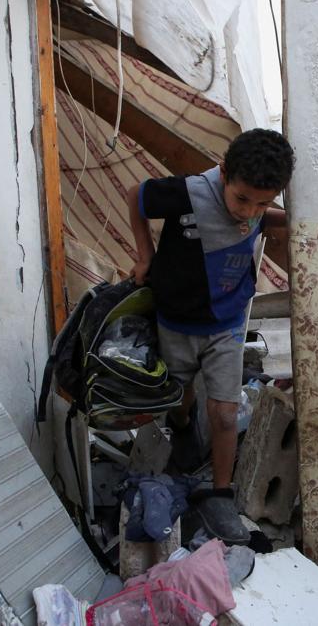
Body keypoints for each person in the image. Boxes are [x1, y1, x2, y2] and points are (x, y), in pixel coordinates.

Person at [126, 128, 294, 544]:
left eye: (263, 203)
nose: (248, 212)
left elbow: (259, 215)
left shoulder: (254, 209)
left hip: (226, 323)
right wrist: (144, 255)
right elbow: (136, 196)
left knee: (223, 413)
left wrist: (283, 219)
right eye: (241, 199)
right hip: (176, 322)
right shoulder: (186, 194)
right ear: (222, 173)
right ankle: (182, 421)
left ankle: (220, 493)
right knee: (178, 396)